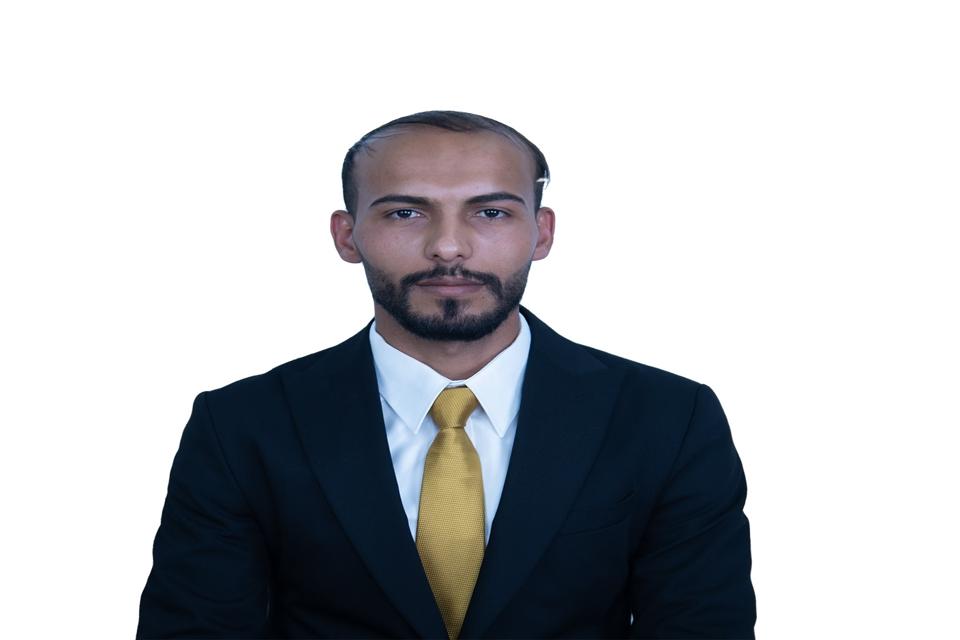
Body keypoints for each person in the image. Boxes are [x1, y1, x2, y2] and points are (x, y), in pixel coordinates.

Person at [137, 110, 756, 639]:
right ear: (347, 236)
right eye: (406, 213)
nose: (449, 247)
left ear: (541, 233)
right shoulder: (243, 426)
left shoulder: (668, 420)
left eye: (491, 212)